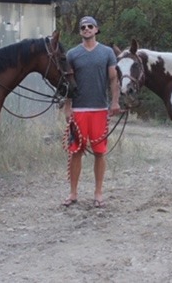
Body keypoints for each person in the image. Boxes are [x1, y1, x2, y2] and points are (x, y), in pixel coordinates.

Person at [62, 16, 122, 209]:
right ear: (80, 31)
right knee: (76, 152)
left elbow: (113, 79)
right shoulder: (72, 54)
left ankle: (98, 193)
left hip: (99, 109)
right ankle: (73, 193)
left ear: (96, 29)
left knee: (99, 152)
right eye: (83, 27)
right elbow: (68, 83)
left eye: (90, 26)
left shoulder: (106, 53)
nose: (86, 29)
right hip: (78, 109)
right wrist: (67, 106)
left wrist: (114, 102)